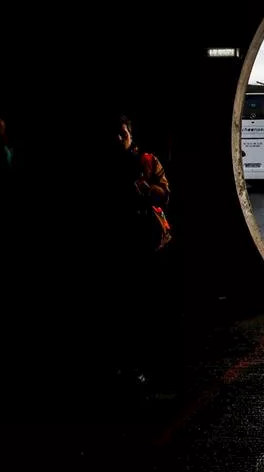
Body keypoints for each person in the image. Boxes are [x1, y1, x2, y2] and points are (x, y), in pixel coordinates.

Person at [100, 114, 172, 391]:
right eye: (115, 134)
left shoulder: (146, 162)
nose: (119, 139)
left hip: (144, 241)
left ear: (131, 135)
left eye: (123, 133)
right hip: (116, 243)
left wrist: (144, 188)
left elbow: (164, 193)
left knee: (140, 304)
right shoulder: (106, 164)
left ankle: (136, 365)